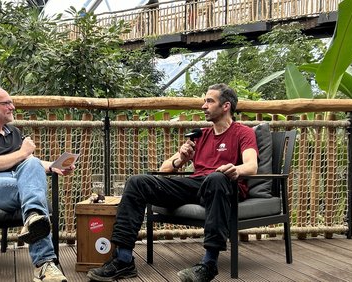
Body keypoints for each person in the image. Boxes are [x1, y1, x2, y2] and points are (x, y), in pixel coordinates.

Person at [87, 83, 258, 282]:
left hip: (224, 186)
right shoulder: (200, 135)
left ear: (226, 106)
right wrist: (181, 160)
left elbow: (251, 166)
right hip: (197, 185)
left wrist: (234, 169)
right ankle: (124, 260)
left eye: (209, 101)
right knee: (137, 182)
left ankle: (209, 264)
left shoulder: (243, 132)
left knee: (216, 178)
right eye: (204, 101)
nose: (204, 106)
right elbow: (164, 168)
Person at [0, 86, 74, 282]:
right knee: (33, 184)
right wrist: (23, 153)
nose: (12, 107)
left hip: (17, 184)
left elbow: (30, 164)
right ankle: (44, 261)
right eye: (6, 103)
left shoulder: (13, 132)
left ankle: (41, 251)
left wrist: (54, 167)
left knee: (32, 170)